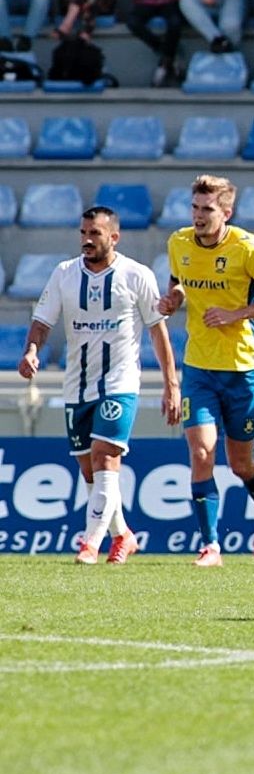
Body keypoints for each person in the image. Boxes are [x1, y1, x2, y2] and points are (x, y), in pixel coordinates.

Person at [16, 207, 180, 565]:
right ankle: (122, 535)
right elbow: (43, 320)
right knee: (90, 469)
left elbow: (157, 330)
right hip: (76, 385)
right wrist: (31, 350)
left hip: (120, 382)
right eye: (83, 233)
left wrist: (172, 384)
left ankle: (89, 544)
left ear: (114, 237)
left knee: (106, 456)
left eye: (96, 233)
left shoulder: (137, 275)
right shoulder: (64, 274)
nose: (87, 240)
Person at [156, 175, 254, 566]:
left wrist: (237, 314)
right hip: (199, 365)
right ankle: (211, 545)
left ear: (226, 213)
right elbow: (180, 281)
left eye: (208, 210)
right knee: (201, 451)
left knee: (240, 463)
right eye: (195, 208)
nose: (199, 217)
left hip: (242, 366)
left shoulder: (248, 248)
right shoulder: (179, 243)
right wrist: (173, 300)